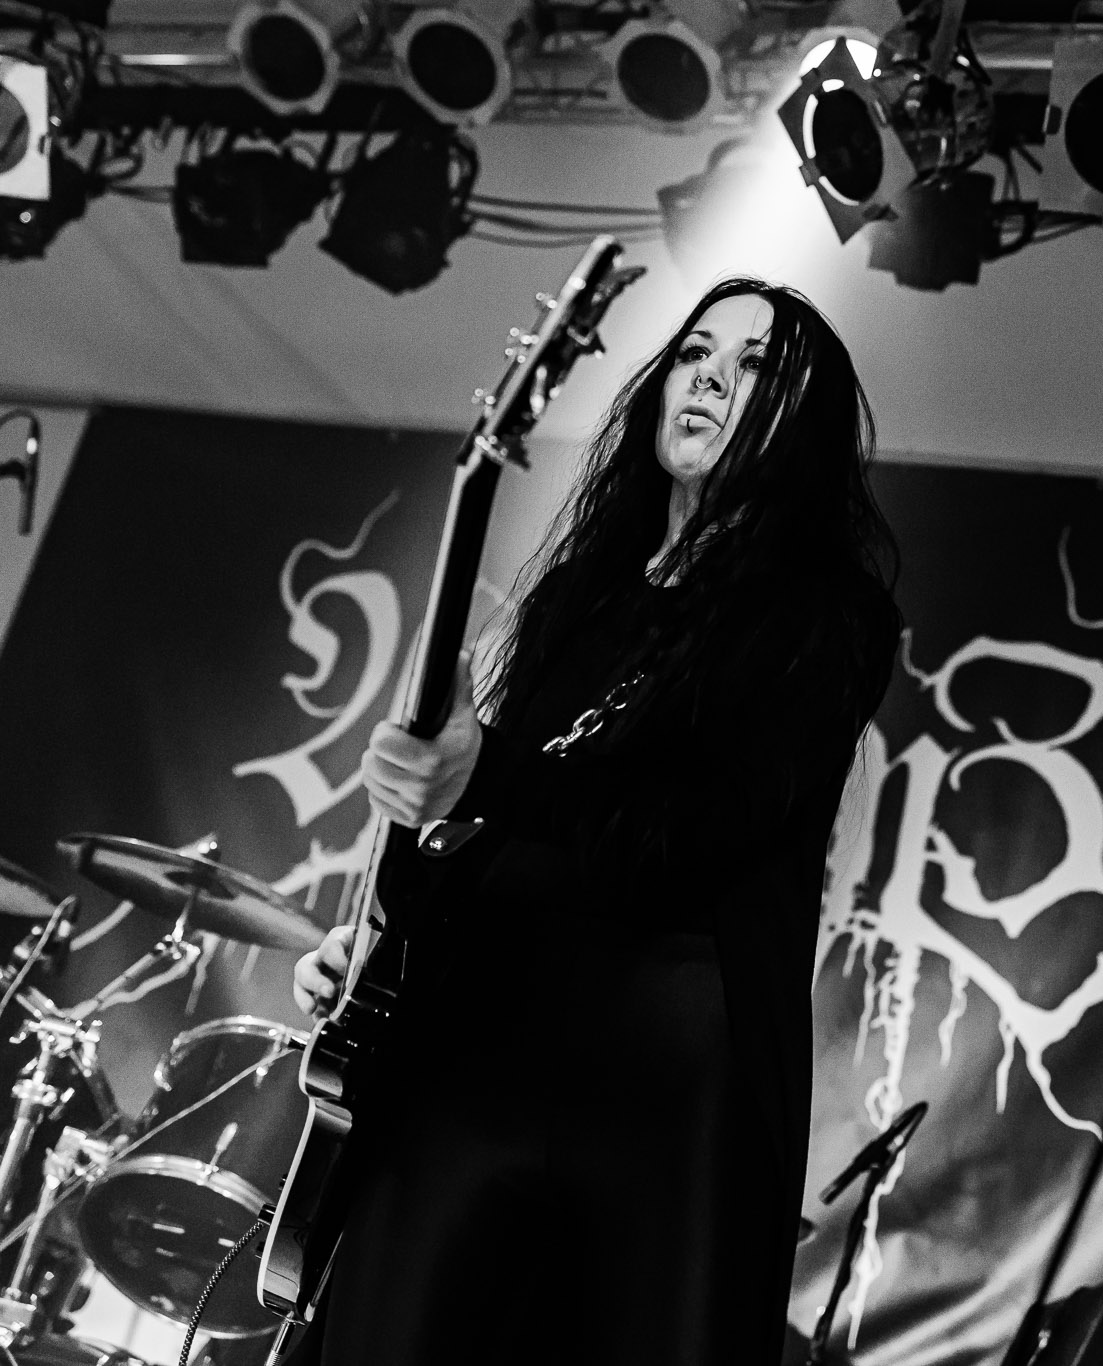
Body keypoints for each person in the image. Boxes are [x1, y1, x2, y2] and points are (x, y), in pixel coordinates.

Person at [289, 278, 901, 1366]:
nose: (709, 377)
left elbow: (688, 833)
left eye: (754, 366)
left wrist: (484, 776)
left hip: (655, 1093)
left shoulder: (830, 618)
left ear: (801, 427)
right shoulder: (583, 594)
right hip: (480, 1048)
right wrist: (382, 947)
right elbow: (494, 831)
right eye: (695, 352)